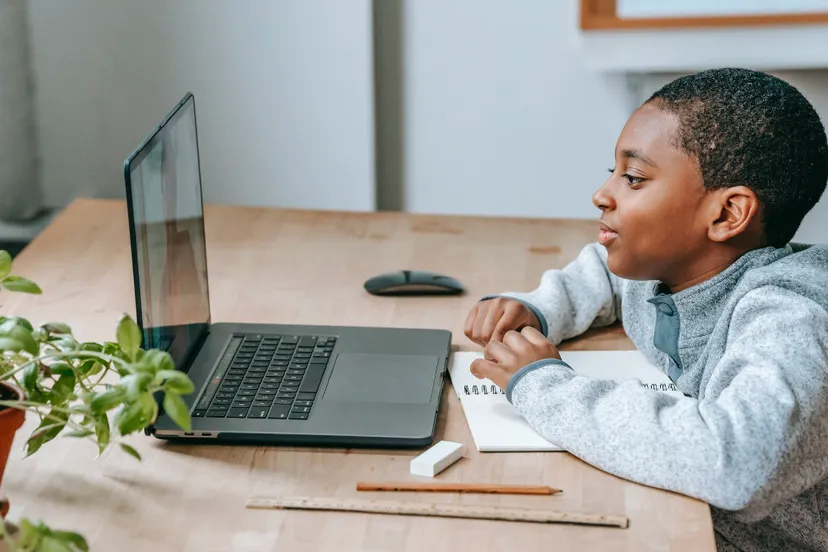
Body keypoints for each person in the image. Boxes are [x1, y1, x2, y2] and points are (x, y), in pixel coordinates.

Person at [464, 68, 828, 552]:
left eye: (633, 178)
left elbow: (739, 463)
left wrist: (544, 385)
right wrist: (540, 309)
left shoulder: (789, 315)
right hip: (687, 515)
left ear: (726, 215)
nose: (602, 194)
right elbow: (607, 274)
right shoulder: (671, 267)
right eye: (612, 172)